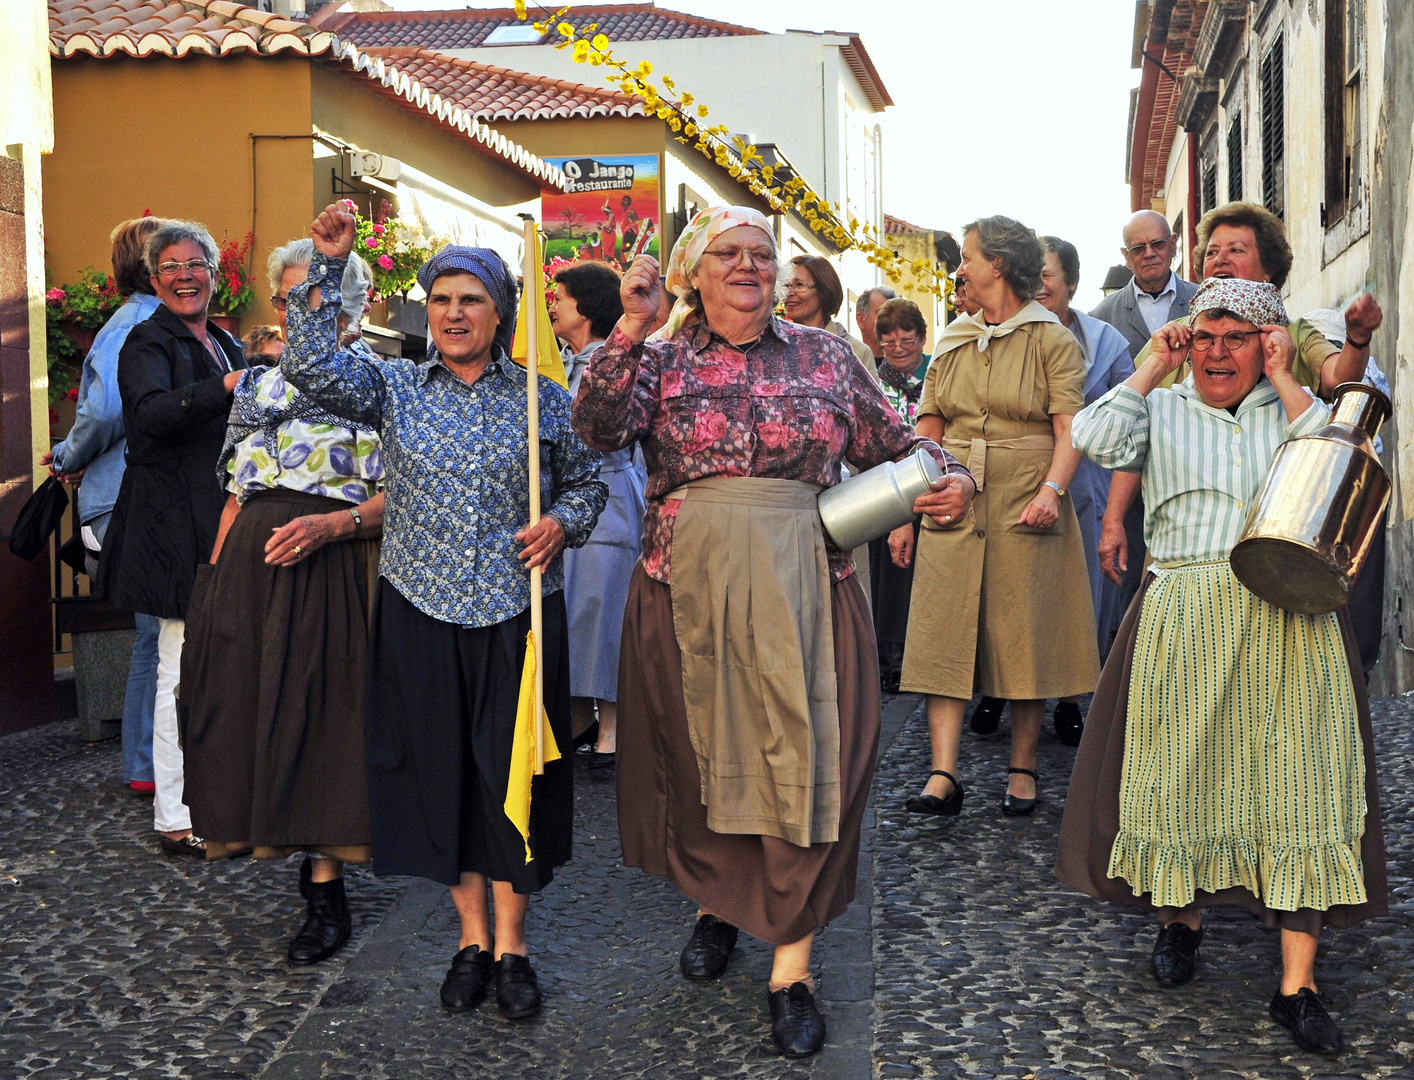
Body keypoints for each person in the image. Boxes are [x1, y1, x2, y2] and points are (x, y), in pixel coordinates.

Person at [573, 205, 969, 1057]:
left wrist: (952, 477)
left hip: (807, 581)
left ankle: (792, 966)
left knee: (813, 761)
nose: (751, 266)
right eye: (730, 253)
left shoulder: (827, 354)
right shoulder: (660, 355)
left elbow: (897, 444)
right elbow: (599, 431)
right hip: (685, 583)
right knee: (704, 756)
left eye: (764, 254)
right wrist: (631, 326)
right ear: (694, 271)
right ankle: (723, 903)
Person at [282, 204, 607, 1021]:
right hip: (419, 610)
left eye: (470, 300)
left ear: (499, 312)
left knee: (516, 779)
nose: (454, 314)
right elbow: (309, 370)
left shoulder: (544, 398)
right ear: (425, 311)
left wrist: (561, 524)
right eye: (440, 300)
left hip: (517, 612)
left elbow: (590, 484)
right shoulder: (394, 387)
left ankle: (515, 948)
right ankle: (469, 940)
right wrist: (327, 266)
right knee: (443, 779)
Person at [1058, 278, 1388, 1056]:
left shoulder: (1295, 408)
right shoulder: (1161, 406)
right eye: (1203, 335)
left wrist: (1283, 376)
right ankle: (1181, 920)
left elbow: (1344, 461)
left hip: (1291, 614)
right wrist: (1150, 364)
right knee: (1185, 776)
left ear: (1268, 341)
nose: (1216, 351)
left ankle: (1296, 985)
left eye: (1236, 337)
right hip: (1188, 613)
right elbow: (1094, 439)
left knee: (1304, 782)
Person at [178, 240, 384, 967]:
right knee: (251, 712)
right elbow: (236, 490)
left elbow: (413, 495)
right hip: (253, 569)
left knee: (329, 723)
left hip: (342, 562)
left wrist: (336, 526)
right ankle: (288, 850)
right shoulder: (254, 386)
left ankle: (324, 886)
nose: (312, 308)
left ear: (357, 301)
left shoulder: (388, 383)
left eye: (326, 293)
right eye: (297, 295)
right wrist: (212, 590)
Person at [892, 215, 1099, 818]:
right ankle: (942, 773)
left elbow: (1071, 430)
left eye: (970, 257)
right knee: (941, 630)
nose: (961, 269)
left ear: (999, 265)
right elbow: (926, 429)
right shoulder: (952, 340)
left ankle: (1023, 766)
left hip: (1026, 496)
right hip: (951, 495)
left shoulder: (1052, 340)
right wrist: (909, 509)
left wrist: (1052, 492)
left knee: (1023, 633)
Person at [1097, 202, 1383, 601]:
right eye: (1212, 251)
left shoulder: (1293, 332)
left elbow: (1339, 378)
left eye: (1236, 250)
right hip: (1189, 553)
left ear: (1268, 270)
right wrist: (1113, 520)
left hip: (1281, 537)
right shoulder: (1175, 338)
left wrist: (1357, 339)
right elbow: (1137, 435)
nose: (1220, 259)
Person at [98, 219, 248, 857]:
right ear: (154, 279)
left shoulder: (221, 338)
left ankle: (214, 806)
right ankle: (176, 818)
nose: (185, 276)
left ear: (215, 275)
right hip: (167, 529)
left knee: (210, 671)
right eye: (172, 267)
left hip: (214, 524)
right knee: (175, 668)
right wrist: (223, 389)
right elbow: (150, 416)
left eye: (197, 265)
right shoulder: (144, 341)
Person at [43, 216, 169, 797]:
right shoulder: (136, 325)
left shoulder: (144, 322)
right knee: (155, 631)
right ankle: (145, 763)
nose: (187, 270)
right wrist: (69, 452)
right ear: (149, 265)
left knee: (159, 632)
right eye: (173, 258)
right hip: (125, 501)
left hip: (128, 498)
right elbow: (111, 411)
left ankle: (151, 762)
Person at [1034, 236, 1134, 743]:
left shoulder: (1108, 343)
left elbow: (1132, 412)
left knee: (1083, 591)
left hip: (1090, 480)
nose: (1038, 286)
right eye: (1032, 276)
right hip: (1029, 476)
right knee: (1024, 590)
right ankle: (1002, 690)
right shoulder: (1009, 335)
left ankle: (1071, 696)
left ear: (1071, 283)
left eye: (1047, 276)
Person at [550, 260, 645, 771]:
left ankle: (612, 725)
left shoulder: (609, 362)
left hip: (608, 499)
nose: (553, 306)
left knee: (607, 612)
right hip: (576, 503)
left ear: (585, 307)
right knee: (579, 615)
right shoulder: (566, 360)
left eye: (560, 298)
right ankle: (583, 717)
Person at [1087, 211, 1197, 625]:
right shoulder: (1103, 316)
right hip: (1132, 464)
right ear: (1126, 255)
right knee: (1133, 582)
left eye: (1157, 244)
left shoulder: (1205, 299)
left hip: (1190, 461)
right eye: (1139, 248)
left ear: (1172, 244)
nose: (1150, 254)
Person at [1304, 306, 1389, 676]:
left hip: (1337, 490)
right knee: (1357, 593)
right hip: (1363, 489)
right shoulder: (1371, 371)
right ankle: (1357, 671)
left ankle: (1350, 672)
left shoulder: (1347, 371)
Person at [867, 298, 931, 691]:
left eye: (907, 339)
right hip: (885, 485)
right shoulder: (874, 381)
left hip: (930, 482)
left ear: (922, 338)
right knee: (888, 578)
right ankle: (890, 660)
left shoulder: (939, 373)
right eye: (889, 342)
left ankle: (923, 656)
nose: (899, 347)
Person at [782, 255, 877, 373]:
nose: (789, 293)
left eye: (799, 285)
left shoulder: (855, 352)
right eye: (786, 285)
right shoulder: (776, 347)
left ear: (824, 291)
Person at [853, 285, 898, 362]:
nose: (891, 320)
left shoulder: (903, 365)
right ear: (861, 320)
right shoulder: (848, 363)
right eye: (882, 313)